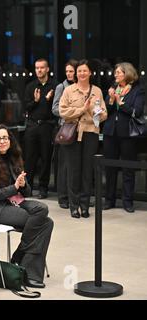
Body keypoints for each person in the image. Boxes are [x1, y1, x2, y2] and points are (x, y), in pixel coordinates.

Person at [0, 125, 53, 288]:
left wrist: (22, 185)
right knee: (45, 222)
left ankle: (21, 260)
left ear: (10, 140)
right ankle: (28, 270)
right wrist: (14, 188)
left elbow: (27, 192)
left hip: (15, 202)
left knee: (45, 218)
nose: (2, 141)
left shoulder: (13, 158)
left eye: (5, 138)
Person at [59, 60, 108, 219]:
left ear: (90, 73)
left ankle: (85, 205)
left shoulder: (97, 91)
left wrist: (96, 113)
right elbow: (63, 111)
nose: (81, 73)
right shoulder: (69, 91)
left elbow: (104, 114)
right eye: (79, 71)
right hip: (73, 133)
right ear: (75, 73)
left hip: (90, 133)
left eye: (84, 71)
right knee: (74, 171)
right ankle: (74, 206)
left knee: (88, 171)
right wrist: (82, 109)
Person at [103, 62, 145, 213]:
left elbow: (138, 112)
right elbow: (106, 110)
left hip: (127, 134)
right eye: (115, 72)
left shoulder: (137, 90)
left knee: (128, 168)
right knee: (109, 168)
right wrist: (111, 100)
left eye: (119, 72)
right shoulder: (113, 88)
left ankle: (127, 201)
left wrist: (120, 103)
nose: (116, 75)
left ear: (127, 73)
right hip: (110, 133)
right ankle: (109, 200)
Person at [23, 58, 58, 199]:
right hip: (32, 125)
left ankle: (43, 188)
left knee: (45, 157)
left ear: (47, 69)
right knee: (30, 158)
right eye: (37, 68)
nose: (39, 70)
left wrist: (49, 100)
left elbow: (57, 109)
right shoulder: (30, 86)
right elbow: (26, 106)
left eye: (42, 68)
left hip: (47, 125)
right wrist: (36, 101)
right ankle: (28, 187)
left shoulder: (55, 86)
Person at [52, 59, 77, 209]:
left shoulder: (82, 87)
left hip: (80, 129)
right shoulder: (61, 87)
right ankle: (62, 197)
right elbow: (55, 108)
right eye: (67, 71)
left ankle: (74, 195)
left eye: (71, 71)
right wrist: (71, 111)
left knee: (75, 165)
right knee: (64, 165)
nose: (68, 74)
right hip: (65, 128)